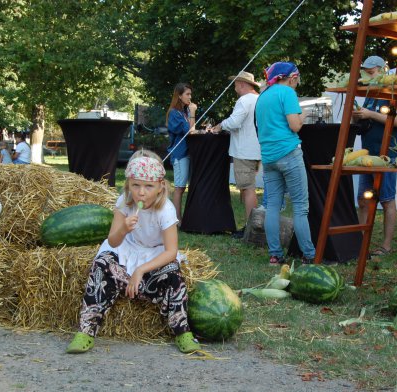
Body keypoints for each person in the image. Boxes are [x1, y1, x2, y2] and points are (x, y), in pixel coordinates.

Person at [66, 154, 201, 354]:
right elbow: (113, 241)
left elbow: (171, 251)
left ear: (160, 186)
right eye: (136, 186)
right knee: (101, 264)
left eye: (148, 187)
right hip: (126, 248)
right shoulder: (124, 202)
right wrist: (123, 230)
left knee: (174, 275)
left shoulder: (166, 209)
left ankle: (182, 331)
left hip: (155, 254)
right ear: (128, 184)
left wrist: (140, 271)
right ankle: (86, 330)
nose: (141, 193)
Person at [255, 61, 315, 265]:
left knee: (272, 206)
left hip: (269, 157)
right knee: (300, 207)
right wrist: (304, 115)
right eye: (297, 79)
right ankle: (309, 255)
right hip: (289, 154)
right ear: (292, 77)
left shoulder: (262, 96)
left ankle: (275, 255)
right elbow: (295, 125)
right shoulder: (287, 93)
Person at [352, 55, 397, 257]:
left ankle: (386, 246)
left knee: (386, 200)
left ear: (383, 69)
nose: (368, 74)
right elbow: (362, 118)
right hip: (367, 155)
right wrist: (357, 115)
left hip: (388, 155)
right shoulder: (370, 92)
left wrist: (370, 114)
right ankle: (360, 243)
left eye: (371, 71)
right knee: (363, 200)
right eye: (366, 71)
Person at [212, 71, 261, 238]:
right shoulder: (259, 99)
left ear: (242, 84)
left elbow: (234, 122)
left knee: (248, 189)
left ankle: (250, 227)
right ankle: (251, 225)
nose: (234, 88)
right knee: (249, 188)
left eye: (235, 84)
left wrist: (220, 125)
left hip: (244, 150)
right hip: (256, 149)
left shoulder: (244, 100)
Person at [166, 83, 196, 223]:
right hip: (179, 154)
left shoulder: (184, 112)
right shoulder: (174, 113)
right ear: (179, 95)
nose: (190, 97)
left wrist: (191, 114)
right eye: (187, 94)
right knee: (179, 188)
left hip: (187, 153)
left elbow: (193, 130)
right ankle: (177, 219)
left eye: (190, 94)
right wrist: (193, 114)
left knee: (182, 187)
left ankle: (180, 217)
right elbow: (189, 131)